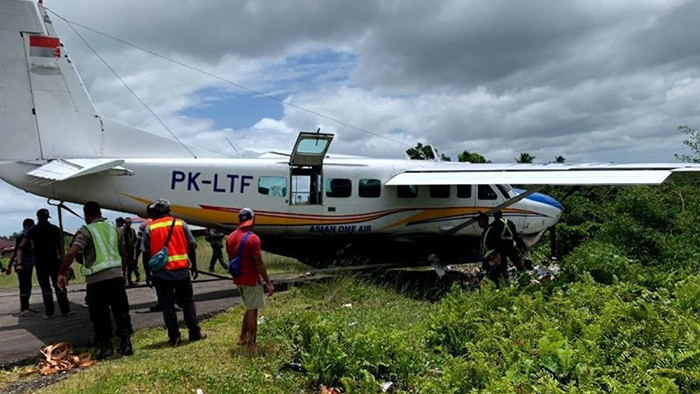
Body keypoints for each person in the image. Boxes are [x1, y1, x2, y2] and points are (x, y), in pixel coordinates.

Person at [58, 201, 134, 359]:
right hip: (116, 277)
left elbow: (72, 253)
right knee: (121, 313)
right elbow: (124, 253)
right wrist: (124, 273)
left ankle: (106, 348)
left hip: (96, 281)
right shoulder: (114, 228)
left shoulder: (86, 231)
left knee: (100, 315)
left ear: (87, 215)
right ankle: (126, 344)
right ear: (100, 212)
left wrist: (62, 272)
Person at [142, 199, 204, 345]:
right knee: (188, 302)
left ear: (156, 212)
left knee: (167, 304)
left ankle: (174, 337)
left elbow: (145, 254)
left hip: (161, 274)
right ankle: (194, 333)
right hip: (182, 271)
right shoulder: (180, 224)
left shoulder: (149, 228)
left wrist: (147, 274)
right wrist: (194, 265)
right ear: (168, 211)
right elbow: (191, 245)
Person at [226, 208, 274, 348]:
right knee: (253, 310)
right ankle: (251, 342)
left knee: (249, 307)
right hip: (251, 280)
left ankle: (242, 337)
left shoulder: (230, 237)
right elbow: (259, 264)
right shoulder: (253, 239)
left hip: (239, 279)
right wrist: (268, 283)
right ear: (253, 220)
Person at [17, 208, 70, 319]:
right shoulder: (55, 229)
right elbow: (60, 247)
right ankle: (65, 310)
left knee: (46, 288)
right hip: (54, 261)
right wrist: (64, 261)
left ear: (38, 218)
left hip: (40, 262)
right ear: (47, 217)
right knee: (59, 286)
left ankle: (49, 312)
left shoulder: (33, 230)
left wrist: (19, 262)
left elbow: (21, 246)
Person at [8, 218, 39, 317]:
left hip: (28, 264)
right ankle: (24, 308)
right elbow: (17, 251)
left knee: (27, 285)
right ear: (27, 227)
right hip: (23, 265)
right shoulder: (23, 236)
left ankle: (26, 306)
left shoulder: (27, 236)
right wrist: (17, 264)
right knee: (24, 286)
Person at [477, 212, 506, 284]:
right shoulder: (485, 232)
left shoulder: (492, 230)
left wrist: (495, 258)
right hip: (487, 258)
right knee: (489, 276)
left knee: (495, 276)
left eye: (479, 221)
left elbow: (498, 244)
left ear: (484, 221)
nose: (478, 223)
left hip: (493, 258)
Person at [120, 218, 141, 285]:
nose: (128, 224)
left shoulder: (132, 230)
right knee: (123, 266)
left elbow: (135, 239)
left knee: (130, 266)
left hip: (130, 249)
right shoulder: (121, 231)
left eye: (129, 223)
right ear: (124, 223)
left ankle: (129, 279)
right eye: (127, 223)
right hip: (124, 250)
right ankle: (123, 280)